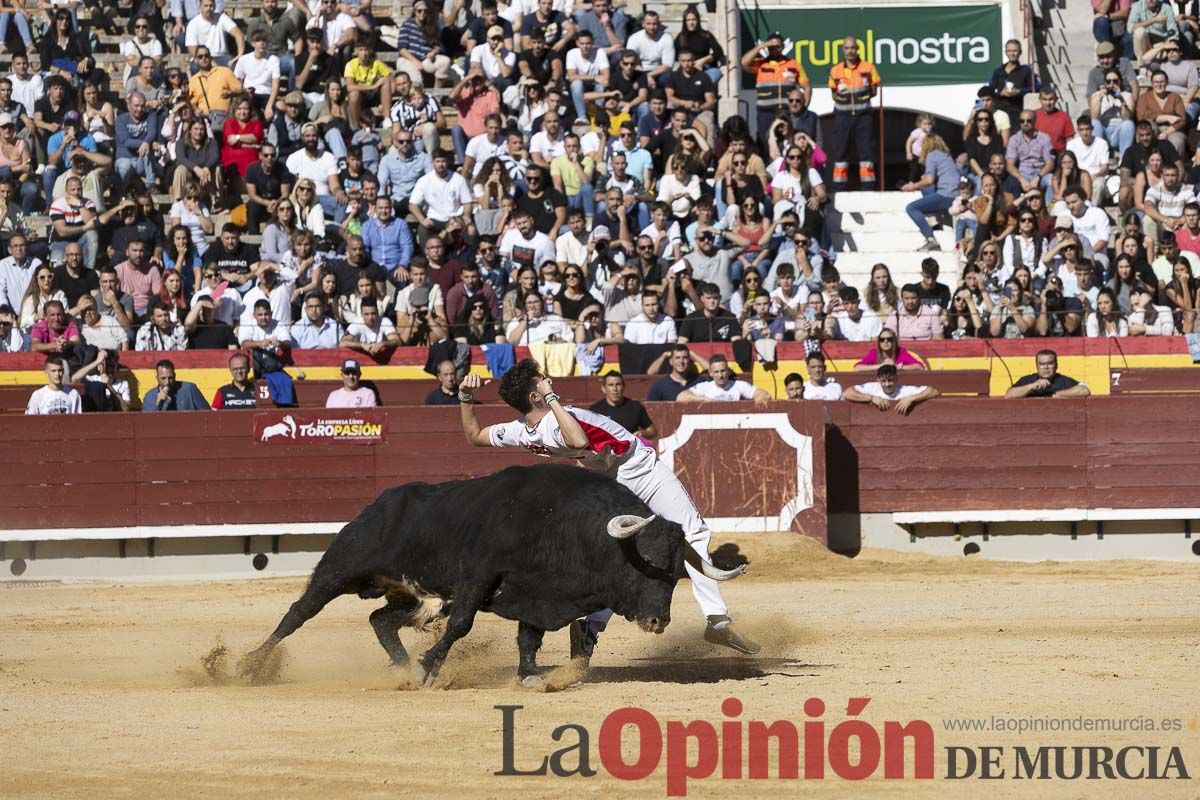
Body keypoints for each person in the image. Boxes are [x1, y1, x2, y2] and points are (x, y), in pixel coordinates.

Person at [459, 357, 760, 660]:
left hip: (608, 482)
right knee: (693, 532)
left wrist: (466, 398)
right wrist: (552, 399)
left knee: (622, 559)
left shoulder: (521, 430)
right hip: (638, 470)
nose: (549, 381)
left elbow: (474, 436)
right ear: (536, 396)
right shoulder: (554, 422)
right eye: (542, 381)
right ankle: (717, 618)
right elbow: (577, 437)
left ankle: (591, 629)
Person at [827, 36, 880, 191]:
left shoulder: (868, 67)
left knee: (866, 152)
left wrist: (860, 99)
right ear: (843, 50)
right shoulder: (835, 70)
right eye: (847, 48)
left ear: (857, 49)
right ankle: (839, 187)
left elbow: (874, 90)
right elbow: (833, 94)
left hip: (863, 116)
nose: (850, 51)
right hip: (842, 117)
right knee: (840, 153)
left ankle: (868, 186)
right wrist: (843, 98)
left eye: (853, 48)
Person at [741, 31, 807, 151]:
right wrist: (761, 46)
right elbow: (744, 62)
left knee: (788, 143)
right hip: (765, 113)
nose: (775, 49)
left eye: (778, 46)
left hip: (787, 111)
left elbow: (807, 87)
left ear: (783, 47)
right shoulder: (760, 64)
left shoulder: (793, 64)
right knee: (765, 142)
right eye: (771, 47)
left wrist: (803, 108)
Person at [901, 135, 958, 252]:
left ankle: (930, 238)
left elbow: (929, 180)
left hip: (946, 195)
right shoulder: (945, 155)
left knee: (911, 208)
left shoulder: (932, 155)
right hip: (954, 193)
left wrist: (913, 186)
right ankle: (933, 219)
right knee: (926, 189)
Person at [844, 364, 940, 415]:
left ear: (896, 379)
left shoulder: (904, 390)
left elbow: (934, 391)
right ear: (878, 380)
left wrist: (911, 398)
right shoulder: (872, 388)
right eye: (883, 381)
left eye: (890, 380)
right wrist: (871, 398)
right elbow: (847, 393)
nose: (887, 384)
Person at [677, 354, 770, 403]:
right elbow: (681, 397)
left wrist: (751, 405)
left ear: (728, 371)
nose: (720, 375)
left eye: (723, 371)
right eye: (716, 372)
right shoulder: (704, 387)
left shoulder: (739, 385)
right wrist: (703, 399)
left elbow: (765, 395)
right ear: (710, 373)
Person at [1004, 349, 1092, 398]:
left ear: (1056, 365)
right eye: (1042, 364)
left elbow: (1084, 390)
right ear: (1037, 366)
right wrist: (1031, 386)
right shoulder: (1028, 380)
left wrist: (1055, 395)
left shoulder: (1062, 380)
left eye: (1050, 363)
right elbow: (1009, 395)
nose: (1046, 367)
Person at [142, 359, 211, 411]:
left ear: (175, 376)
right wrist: (158, 405)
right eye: (163, 378)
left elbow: (208, 414)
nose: (167, 382)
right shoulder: (150, 397)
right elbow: (146, 424)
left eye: (170, 378)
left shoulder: (189, 389)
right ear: (157, 378)